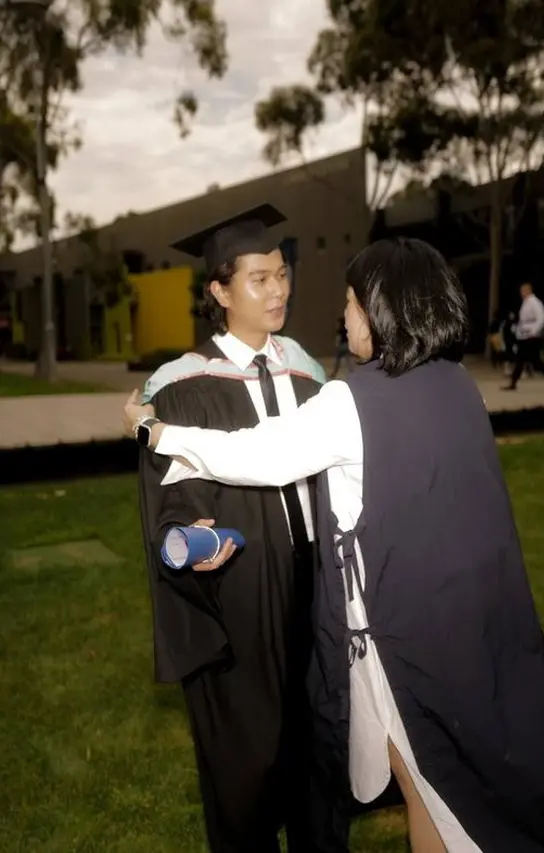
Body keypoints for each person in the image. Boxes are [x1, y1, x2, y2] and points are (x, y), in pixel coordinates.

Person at [125, 237, 544, 853]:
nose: (343, 316)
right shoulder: (457, 385)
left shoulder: (347, 399)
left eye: (351, 303)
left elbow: (251, 455)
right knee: (447, 777)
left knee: (428, 774)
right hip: (474, 618)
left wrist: (153, 429)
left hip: (399, 633)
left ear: (385, 309)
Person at [134, 203, 329, 853]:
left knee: (318, 760)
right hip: (240, 595)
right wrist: (187, 539)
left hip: (316, 584)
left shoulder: (307, 373)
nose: (278, 289)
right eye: (258, 278)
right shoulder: (185, 388)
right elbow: (174, 496)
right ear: (218, 291)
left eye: (281, 273)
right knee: (246, 768)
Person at [504, 283, 544, 390]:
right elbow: (523, 320)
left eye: (523, 291)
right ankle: (513, 383)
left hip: (533, 336)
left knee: (534, 361)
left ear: (528, 291)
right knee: (521, 359)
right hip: (525, 335)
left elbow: (541, 318)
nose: (521, 294)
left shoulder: (535, 302)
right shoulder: (526, 303)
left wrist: (534, 331)